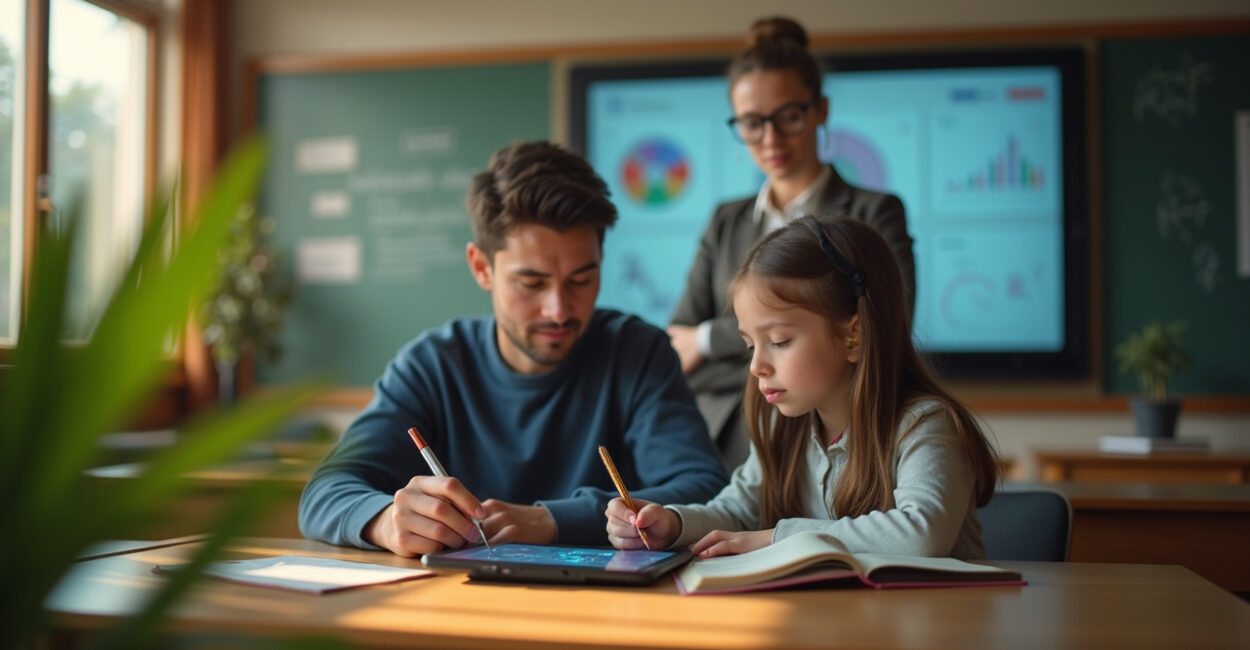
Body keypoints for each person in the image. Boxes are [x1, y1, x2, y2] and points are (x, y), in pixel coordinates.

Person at [299, 141, 728, 557]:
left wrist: (554, 521)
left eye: (581, 279)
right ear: (481, 267)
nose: (559, 310)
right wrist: (386, 520)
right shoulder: (432, 364)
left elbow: (704, 488)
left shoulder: (638, 353)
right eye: (532, 283)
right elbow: (324, 493)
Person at [606, 217, 998, 560]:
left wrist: (778, 539)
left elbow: (921, 534)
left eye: (778, 341)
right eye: (749, 345)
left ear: (853, 335)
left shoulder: (923, 425)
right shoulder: (784, 427)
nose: (757, 365)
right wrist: (672, 523)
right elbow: (738, 510)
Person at [669, 16, 914, 470]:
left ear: (820, 109)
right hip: (727, 438)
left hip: (839, 434)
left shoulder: (873, 213)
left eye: (789, 117)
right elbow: (679, 343)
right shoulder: (727, 220)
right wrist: (793, 345)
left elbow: (882, 330)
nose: (770, 139)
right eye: (751, 123)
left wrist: (709, 339)